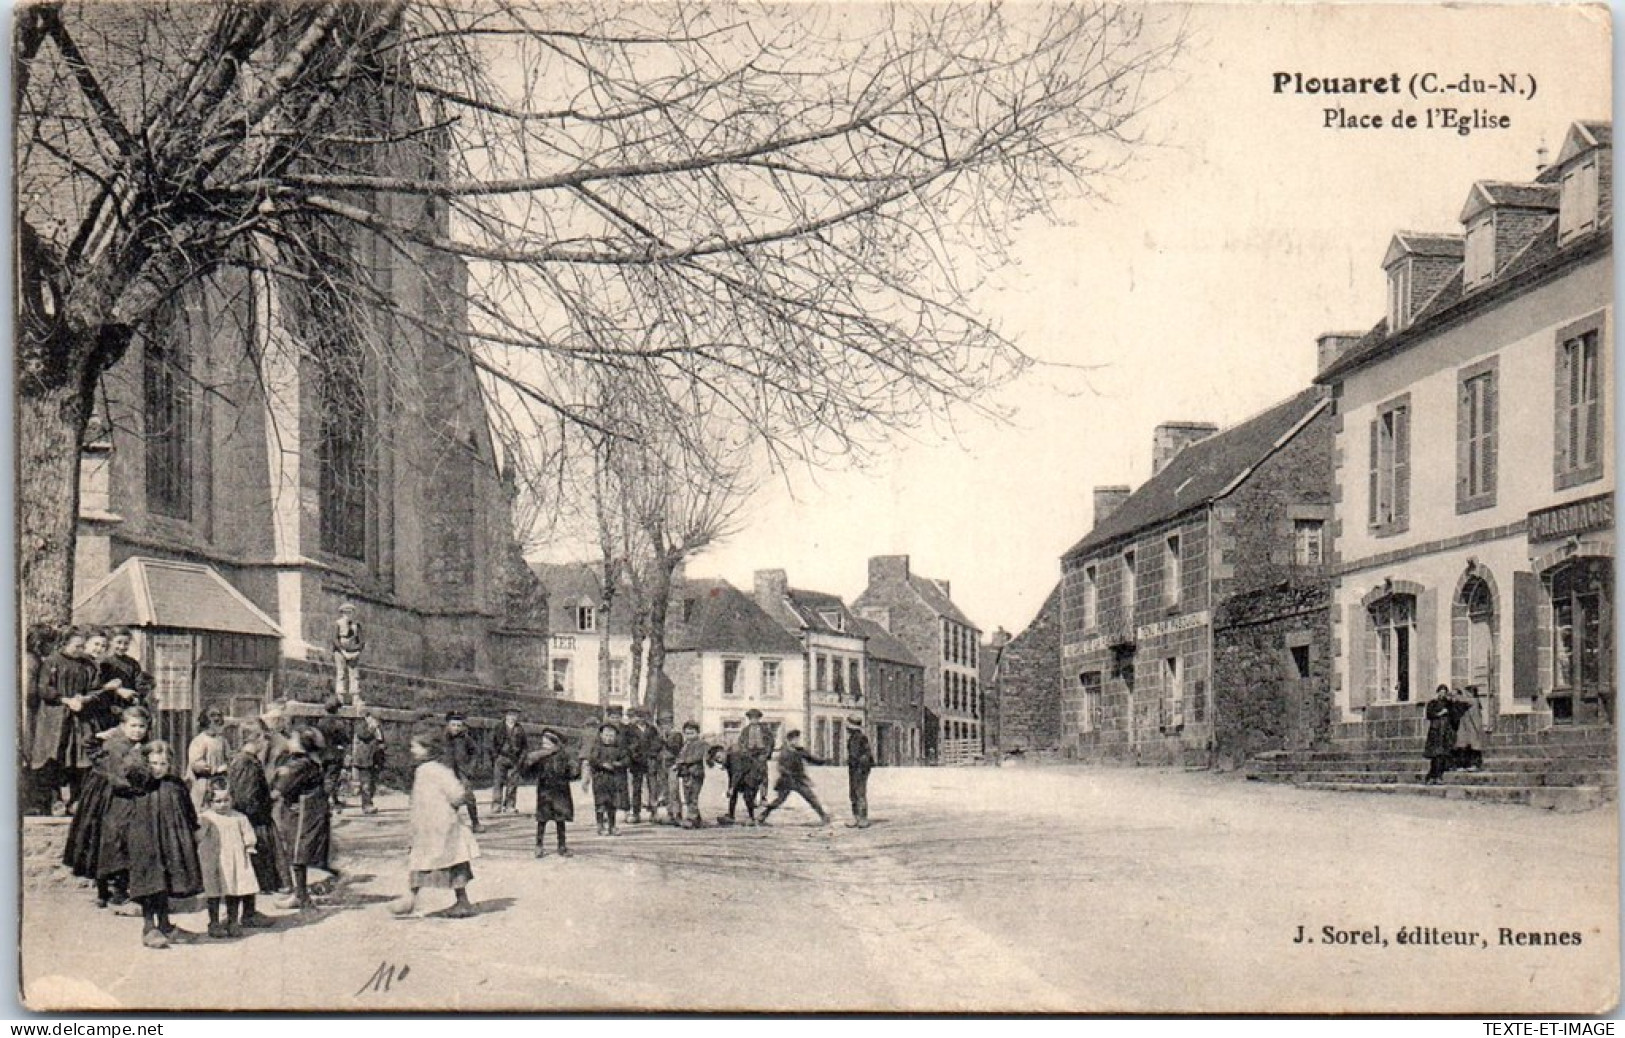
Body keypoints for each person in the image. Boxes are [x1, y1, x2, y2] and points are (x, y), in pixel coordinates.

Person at [389, 725, 479, 919]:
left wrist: (450, 807)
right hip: (427, 825)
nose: (412, 750)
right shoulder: (423, 770)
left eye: (416, 747)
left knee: (444, 860)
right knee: (427, 859)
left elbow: (456, 793)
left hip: (442, 825)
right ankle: (413, 899)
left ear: (428, 749)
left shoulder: (436, 770)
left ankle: (458, 902)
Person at [70, 705, 149, 909]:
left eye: (142, 726)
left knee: (112, 841)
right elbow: (118, 776)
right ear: (122, 726)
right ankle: (109, 891)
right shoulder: (116, 746)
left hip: (120, 794)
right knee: (109, 839)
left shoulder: (140, 746)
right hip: (110, 796)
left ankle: (110, 890)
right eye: (133, 726)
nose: (137, 730)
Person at [127, 740, 204, 948]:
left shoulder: (175, 784)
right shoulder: (139, 785)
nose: (158, 768)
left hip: (170, 840)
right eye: (152, 763)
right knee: (150, 882)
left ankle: (166, 925)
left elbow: (188, 810)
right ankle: (149, 927)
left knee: (165, 882)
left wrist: (195, 829)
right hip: (146, 841)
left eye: (162, 764)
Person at [31, 627, 99, 815]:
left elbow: (95, 689)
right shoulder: (52, 662)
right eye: (77, 646)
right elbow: (44, 689)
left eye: (83, 646)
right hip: (55, 719)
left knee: (80, 758)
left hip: (80, 718)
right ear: (65, 644)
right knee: (55, 757)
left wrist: (84, 699)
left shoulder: (88, 665)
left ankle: (76, 800)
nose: (81, 649)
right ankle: (56, 800)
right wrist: (64, 699)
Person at [271, 727, 332, 910]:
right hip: (311, 810)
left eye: (292, 738)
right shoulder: (311, 761)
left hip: (303, 812)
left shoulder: (299, 764)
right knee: (300, 853)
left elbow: (280, 788)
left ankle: (301, 896)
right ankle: (301, 893)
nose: (288, 740)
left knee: (298, 852)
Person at [227, 730, 284, 917]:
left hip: (253, 819)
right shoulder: (246, 762)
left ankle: (248, 912)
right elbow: (245, 796)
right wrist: (265, 804)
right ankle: (247, 914)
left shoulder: (246, 760)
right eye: (264, 741)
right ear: (258, 740)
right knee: (251, 866)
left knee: (253, 867)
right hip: (253, 821)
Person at [196, 785, 259, 939]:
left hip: (234, 859)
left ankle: (232, 921)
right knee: (214, 892)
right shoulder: (207, 817)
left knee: (233, 890)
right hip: (214, 860)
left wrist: (249, 845)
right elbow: (198, 837)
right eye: (218, 801)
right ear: (209, 802)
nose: (223, 804)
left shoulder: (239, 817)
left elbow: (248, 834)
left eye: (226, 800)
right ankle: (214, 923)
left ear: (232, 799)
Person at [523, 728, 579, 858]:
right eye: (543, 743)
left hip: (560, 791)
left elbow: (573, 773)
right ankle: (539, 845)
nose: (544, 745)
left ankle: (562, 846)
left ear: (555, 743)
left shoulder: (564, 756)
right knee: (542, 820)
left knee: (560, 820)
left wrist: (574, 770)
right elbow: (529, 773)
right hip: (545, 791)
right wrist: (528, 763)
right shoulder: (539, 756)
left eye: (547, 743)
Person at [758, 729, 830, 825]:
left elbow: (812, 759)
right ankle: (763, 815)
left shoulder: (800, 750)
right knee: (779, 800)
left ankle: (824, 816)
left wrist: (823, 761)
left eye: (797, 739)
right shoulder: (784, 752)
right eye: (794, 740)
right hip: (786, 780)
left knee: (811, 798)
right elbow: (780, 767)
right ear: (789, 740)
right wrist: (787, 773)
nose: (796, 741)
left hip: (798, 780)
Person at [586, 722, 631, 836]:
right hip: (600, 779)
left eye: (611, 736)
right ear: (601, 735)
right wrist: (602, 764)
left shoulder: (618, 748)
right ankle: (600, 825)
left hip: (613, 780)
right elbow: (592, 760)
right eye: (606, 735)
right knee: (600, 803)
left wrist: (618, 764)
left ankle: (612, 826)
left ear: (616, 736)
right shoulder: (597, 747)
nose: (608, 738)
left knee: (612, 804)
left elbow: (626, 760)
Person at [98, 628, 155, 715]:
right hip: (109, 706)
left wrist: (137, 697)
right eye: (119, 642)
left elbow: (139, 682)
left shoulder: (132, 663)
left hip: (128, 705)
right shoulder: (104, 662)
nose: (122, 647)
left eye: (126, 644)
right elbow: (100, 686)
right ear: (111, 642)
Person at [444, 713, 484, 833]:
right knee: (446, 798)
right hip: (446, 771)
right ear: (448, 725)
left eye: (458, 725)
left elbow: (476, 753)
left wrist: (471, 767)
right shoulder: (442, 738)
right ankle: (446, 823)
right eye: (453, 725)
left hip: (462, 772)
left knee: (469, 796)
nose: (456, 728)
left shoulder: (466, 738)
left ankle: (475, 822)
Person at [186, 708, 231, 810]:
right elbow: (195, 764)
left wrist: (227, 766)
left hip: (220, 782)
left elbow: (228, 758)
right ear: (207, 724)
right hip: (204, 782)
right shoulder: (199, 740)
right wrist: (213, 769)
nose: (218, 726)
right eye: (214, 723)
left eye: (219, 723)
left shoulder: (222, 740)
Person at [734, 709, 775, 819]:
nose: (754, 720)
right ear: (749, 719)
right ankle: (753, 799)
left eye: (756, 718)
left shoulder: (765, 730)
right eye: (751, 718)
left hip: (761, 755)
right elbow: (741, 743)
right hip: (750, 756)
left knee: (763, 776)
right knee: (751, 778)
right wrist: (745, 753)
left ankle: (763, 797)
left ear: (759, 719)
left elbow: (771, 742)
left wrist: (766, 754)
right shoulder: (745, 730)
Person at [672, 721, 712, 828]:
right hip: (685, 773)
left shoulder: (701, 744)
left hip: (695, 773)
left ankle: (691, 818)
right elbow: (680, 756)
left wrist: (682, 761)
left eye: (692, 733)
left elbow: (697, 757)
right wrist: (678, 763)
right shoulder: (685, 745)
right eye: (687, 733)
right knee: (687, 796)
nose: (689, 736)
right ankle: (697, 819)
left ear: (697, 733)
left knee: (693, 796)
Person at [316, 697, 354, 812]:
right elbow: (345, 738)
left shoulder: (321, 721)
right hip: (334, 753)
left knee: (324, 777)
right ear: (337, 709)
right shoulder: (339, 722)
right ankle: (325, 803)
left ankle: (333, 799)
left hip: (322, 753)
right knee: (332, 778)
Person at [623, 708, 660, 823]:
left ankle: (654, 812)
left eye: (644, 716)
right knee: (636, 788)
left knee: (653, 787)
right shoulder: (630, 730)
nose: (641, 719)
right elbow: (628, 745)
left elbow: (657, 743)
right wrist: (635, 755)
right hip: (636, 762)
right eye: (639, 716)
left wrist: (652, 754)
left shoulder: (652, 729)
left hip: (650, 761)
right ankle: (636, 812)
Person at [489, 708, 528, 815]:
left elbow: (525, 746)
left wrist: (521, 759)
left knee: (513, 783)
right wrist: (495, 757)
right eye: (510, 715)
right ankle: (496, 805)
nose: (512, 718)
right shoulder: (498, 727)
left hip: (515, 759)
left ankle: (510, 805)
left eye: (515, 715)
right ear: (506, 716)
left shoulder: (520, 729)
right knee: (498, 782)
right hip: (501, 757)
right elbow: (492, 743)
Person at [351, 711, 387, 814]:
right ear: (367, 717)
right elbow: (364, 735)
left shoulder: (377, 728)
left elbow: (381, 740)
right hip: (364, 759)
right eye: (373, 718)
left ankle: (369, 801)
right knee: (366, 783)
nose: (376, 721)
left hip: (374, 758)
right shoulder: (361, 725)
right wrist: (372, 728)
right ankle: (366, 805)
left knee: (372, 783)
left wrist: (382, 746)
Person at [843, 716, 874, 829]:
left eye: (848, 726)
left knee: (860, 793)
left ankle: (863, 818)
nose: (846, 728)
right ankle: (856, 817)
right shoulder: (853, 738)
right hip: (854, 768)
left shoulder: (860, 738)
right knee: (853, 793)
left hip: (860, 769)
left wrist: (861, 766)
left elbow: (865, 755)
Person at [332, 602, 365, 705]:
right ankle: (340, 697)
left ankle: (355, 697)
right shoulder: (338, 623)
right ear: (342, 613)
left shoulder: (356, 625)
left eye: (350, 613)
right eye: (346, 613)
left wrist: (357, 652)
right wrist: (343, 652)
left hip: (353, 652)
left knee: (354, 675)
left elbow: (361, 641)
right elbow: (335, 639)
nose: (348, 615)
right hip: (341, 652)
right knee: (341, 673)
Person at [1423, 684, 1456, 784]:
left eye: (1444, 692)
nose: (1442, 694)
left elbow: (1454, 714)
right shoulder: (1432, 703)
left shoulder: (1448, 704)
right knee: (1435, 755)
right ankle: (1432, 776)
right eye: (1441, 692)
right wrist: (1440, 713)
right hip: (1435, 731)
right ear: (1437, 692)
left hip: (1445, 732)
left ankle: (1437, 776)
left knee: (1442, 754)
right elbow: (1429, 715)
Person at [1452, 686, 1487, 772]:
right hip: (1466, 727)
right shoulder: (1468, 702)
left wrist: (1455, 696)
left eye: (1467, 693)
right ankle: (1464, 764)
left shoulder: (1473, 700)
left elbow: (1463, 700)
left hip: (1473, 727)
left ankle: (1475, 765)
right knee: (1464, 745)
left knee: (1474, 745)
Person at [662, 722, 686, 826]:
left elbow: (676, 748)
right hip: (663, 765)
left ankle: (678, 814)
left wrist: (665, 741)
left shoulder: (677, 735)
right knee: (666, 790)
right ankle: (670, 813)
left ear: (671, 725)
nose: (664, 726)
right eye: (662, 724)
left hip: (673, 765)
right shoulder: (662, 735)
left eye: (666, 723)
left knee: (673, 790)